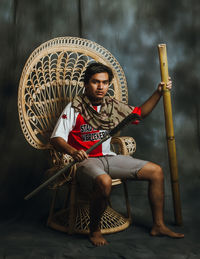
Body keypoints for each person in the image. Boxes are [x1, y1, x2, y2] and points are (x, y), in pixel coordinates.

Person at [50, 62, 184, 246]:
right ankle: (94, 230)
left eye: (105, 83)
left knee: (156, 172)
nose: (100, 87)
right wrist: (73, 151)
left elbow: (140, 114)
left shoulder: (111, 106)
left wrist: (159, 92)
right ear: (86, 84)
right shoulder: (75, 107)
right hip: (85, 162)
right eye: (96, 82)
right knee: (104, 182)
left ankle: (158, 226)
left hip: (109, 158)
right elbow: (56, 139)